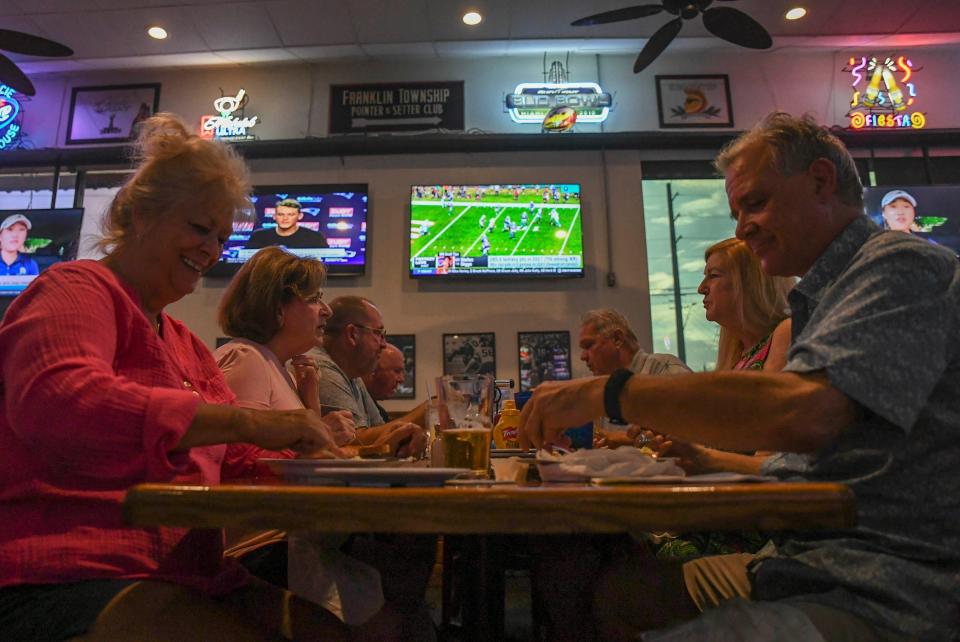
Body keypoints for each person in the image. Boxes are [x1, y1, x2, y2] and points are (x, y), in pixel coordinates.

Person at [521, 113, 960, 641]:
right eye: (737, 211)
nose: (742, 227)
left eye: (755, 203)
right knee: (618, 592)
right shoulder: (824, 295)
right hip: (806, 558)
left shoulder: (898, 263)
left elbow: (804, 412)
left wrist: (608, 392)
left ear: (821, 182)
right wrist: (706, 458)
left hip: (885, 586)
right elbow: (812, 453)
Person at [0, 113, 350, 641]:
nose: (210, 249)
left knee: (330, 632)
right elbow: (61, 402)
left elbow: (236, 463)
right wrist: (247, 423)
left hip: (190, 574)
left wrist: (323, 458)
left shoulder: (185, 342)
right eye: (197, 227)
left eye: (220, 237)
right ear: (141, 214)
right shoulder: (76, 288)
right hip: (64, 575)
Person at [643, 237, 795, 476]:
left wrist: (701, 456)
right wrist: (654, 441)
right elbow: (712, 445)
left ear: (750, 282)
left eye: (713, 276)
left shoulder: (785, 332)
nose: (701, 288)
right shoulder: (738, 355)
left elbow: (770, 459)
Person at [309, 296, 427, 457]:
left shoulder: (353, 375)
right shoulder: (321, 367)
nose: (384, 344)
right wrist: (427, 411)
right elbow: (355, 440)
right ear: (352, 334)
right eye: (378, 333)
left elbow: (382, 431)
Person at [578, 309, 689, 449]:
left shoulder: (665, 371)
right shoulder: (609, 389)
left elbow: (693, 434)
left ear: (617, 339)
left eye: (588, 346)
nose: (583, 357)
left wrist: (626, 439)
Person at [246, 198, 329, 250]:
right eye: (281, 214)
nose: (285, 218)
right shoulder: (258, 236)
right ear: (274, 216)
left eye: (290, 215)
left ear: (300, 216)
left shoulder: (315, 237)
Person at [361, 343, 409, 425]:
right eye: (397, 371)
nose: (401, 379)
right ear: (372, 368)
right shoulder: (353, 404)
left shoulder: (379, 411)